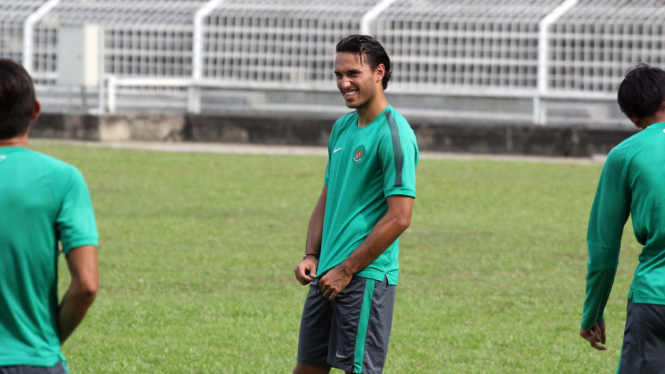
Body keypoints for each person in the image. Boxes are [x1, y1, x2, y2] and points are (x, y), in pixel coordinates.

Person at [292, 35, 418, 374]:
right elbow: (326, 197)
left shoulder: (394, 134)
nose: (344, 83)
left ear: (379, 72)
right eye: (337, 74)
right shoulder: (342, 128)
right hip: (327, 274)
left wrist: (347, 270)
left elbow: (400, 218)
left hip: (363, 277)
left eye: (353, 73)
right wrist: (311, 254)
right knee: (307, 369)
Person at [0, 59, 98, 374]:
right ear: (35, 110)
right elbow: (86, 284)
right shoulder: (62, 179)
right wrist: (49, 338)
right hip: (32, 359)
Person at [580, 63, 665, 373]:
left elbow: (603, 250)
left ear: (632, 118)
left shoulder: (625, 154)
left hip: (655, 298)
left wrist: (593, 313)